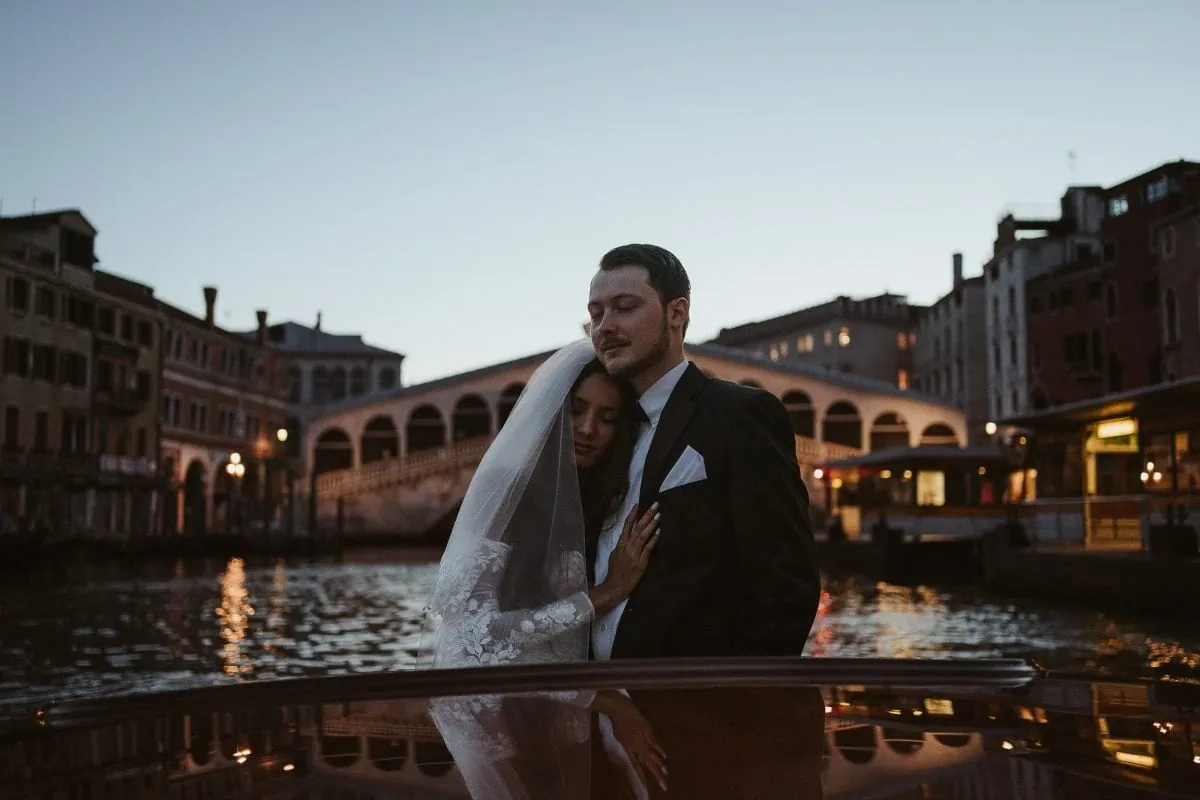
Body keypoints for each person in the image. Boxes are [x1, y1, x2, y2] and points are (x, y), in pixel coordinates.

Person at [425, 339, 660, 799]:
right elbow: (474, 637)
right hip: (508, 723)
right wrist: (605, 594)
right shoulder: (506, 489)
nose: (588, 429)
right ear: (552, 411)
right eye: (576, 411)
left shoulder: (601, 496)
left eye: (608, 418)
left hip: (574, 718)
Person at [586, 243, 821, 660]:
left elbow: (785, 587)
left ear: (677, 313)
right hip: (597, 707)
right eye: (597, 313)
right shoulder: (602, 429)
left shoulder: (741, 415)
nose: (604, 326)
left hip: (693, 708)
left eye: (624, 307)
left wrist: (726, 708)